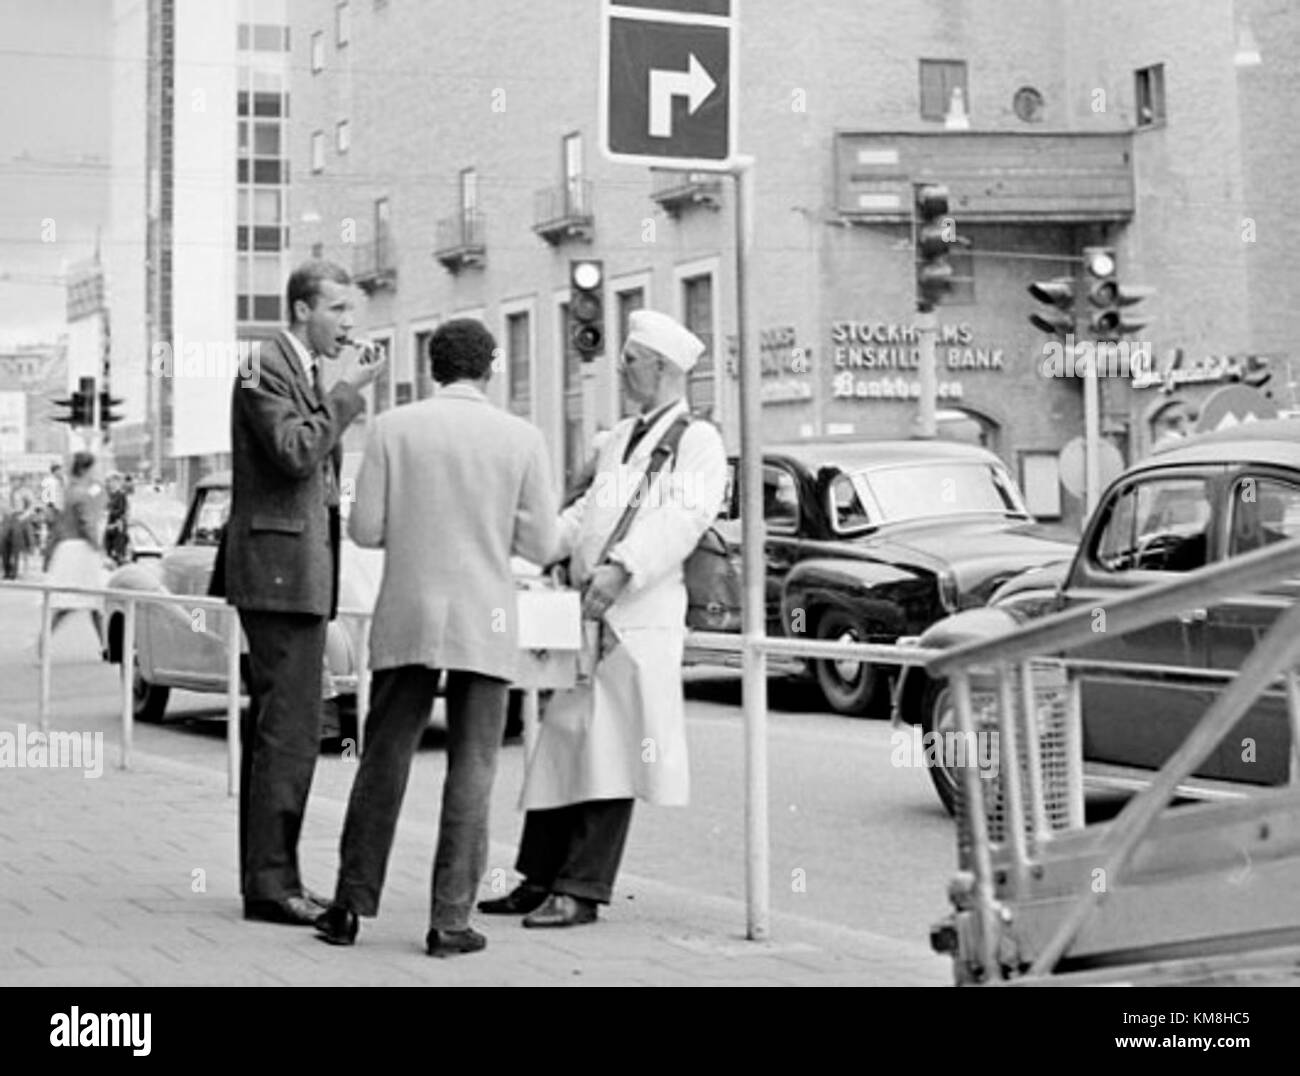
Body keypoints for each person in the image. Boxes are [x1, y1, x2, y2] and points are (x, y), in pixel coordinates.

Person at [314, 318, 558, 956]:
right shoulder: (522, 438)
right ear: (490, 368)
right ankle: (450, 920)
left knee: (385, 759)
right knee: (474, 766)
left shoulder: (393, 430)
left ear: (432, 368)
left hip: (409, 614)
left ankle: (347, 905)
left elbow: (365, 530)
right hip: (486, 617)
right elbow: (540, 543)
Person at [479, 309, 727, 928]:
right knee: (562, 743)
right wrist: (533, 541)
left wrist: (622, 567)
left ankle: (582, 888)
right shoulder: (619, 438)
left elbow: (685, 519)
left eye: (631, 361)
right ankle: (538, 876)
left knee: (613, 751)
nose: (621, 370)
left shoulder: (698, 442)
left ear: (664, 369)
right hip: (588, 615)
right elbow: (588, 512)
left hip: (637, 616)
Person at [213, 259, 387, 926]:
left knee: (279, 730)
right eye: (339, 309)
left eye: (352, 309)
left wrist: (336, 391)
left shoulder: (300, 369)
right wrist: (346, 395)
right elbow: (293, 452)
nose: (349, 322)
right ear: (302, 310)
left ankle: (271, 879)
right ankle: (272, 885)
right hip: (280, 574)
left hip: (295, 573)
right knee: (287, 732)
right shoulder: (265, 365)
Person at [36, 453, 107, 659]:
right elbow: (88, 523)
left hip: (68, 548)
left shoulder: (69, 490)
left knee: (88, 602)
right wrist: (99, 549)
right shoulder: (82, 493)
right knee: (89, 601)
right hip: (81, 550)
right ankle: (106, 647)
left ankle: (106, 646)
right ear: (87, 468)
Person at [39, 462, 65, 570]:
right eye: (60, 470)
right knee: (53, 539)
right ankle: (48, 564)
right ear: (56, 471)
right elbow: (54, 501)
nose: (62, 472)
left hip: (51, 512)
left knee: (53, 538)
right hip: (54, 513)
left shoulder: (50, 481)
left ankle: (48, 564)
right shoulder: (52, 482)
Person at [104, 472, 130, 566]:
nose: (111, 483)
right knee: (107, 546)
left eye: (113, 481)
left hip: (118, 524)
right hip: (108, 524)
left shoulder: (121, 495)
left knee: (118, 546)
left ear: (117, 482)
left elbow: (121, 510)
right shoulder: (108, 495)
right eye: (109, 481)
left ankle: (120, 559)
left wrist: (109, 513)